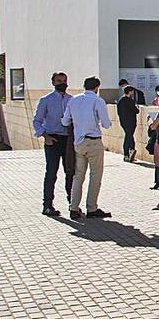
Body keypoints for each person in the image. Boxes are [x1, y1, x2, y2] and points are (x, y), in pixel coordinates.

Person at [62, 76, 113, 220]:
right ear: (97, 87)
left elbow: (65, 121)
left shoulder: (74, 100)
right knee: (95, 176)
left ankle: (73, 207)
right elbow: (106, 123)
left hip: (78, 142)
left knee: (78, 176)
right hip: (93, 141)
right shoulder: (98, 101)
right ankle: (91, 207)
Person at [33, 72, 74, 216]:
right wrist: (45, 136)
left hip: (68, 140)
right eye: (59, 81)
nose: (62, 83)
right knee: (51, 173)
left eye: (64, 81)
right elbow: (37, 120)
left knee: (70, 172)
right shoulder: (46, 100)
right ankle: (47, 205)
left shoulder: (72, 100)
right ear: (53, 82)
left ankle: (72, 203)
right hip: (53, 139)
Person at [116, 85, 139, 162]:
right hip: (131, 121)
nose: (133, 93)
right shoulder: (130, 101)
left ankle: (131, 150)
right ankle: (127, 154)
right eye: (132, 91)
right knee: (128, 137)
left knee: (129, 136)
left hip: (123, 121)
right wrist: (136, 107)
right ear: (129, 92)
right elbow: (136, 111)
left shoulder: (120, 101)